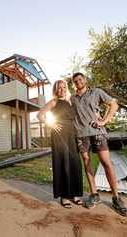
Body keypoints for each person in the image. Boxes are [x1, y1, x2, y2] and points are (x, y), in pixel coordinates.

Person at [71, 72, 127, 217]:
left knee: (106, 162)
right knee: (87, 162)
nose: (78, 81)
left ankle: (116, 198)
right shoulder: (72, 98)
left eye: (80, 79)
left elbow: (114, 105)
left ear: (85, 80)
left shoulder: (96, 92)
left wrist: (104, 120)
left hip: (97, 133)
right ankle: (94, 194)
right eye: (75, 80)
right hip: (81, 135)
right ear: (74, 84)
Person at [37, 80, 83, 208]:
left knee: (75, 162)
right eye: (59, 88)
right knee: (62, 162)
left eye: (64, 87)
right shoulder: (54, 102)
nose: (62, 90)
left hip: (72, 134)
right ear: (55, 90)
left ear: (66, 88)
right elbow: (40, 115)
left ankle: (75, 194)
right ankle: (64, 196)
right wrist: (51, 124)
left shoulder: (71, 101)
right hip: (59, 135)